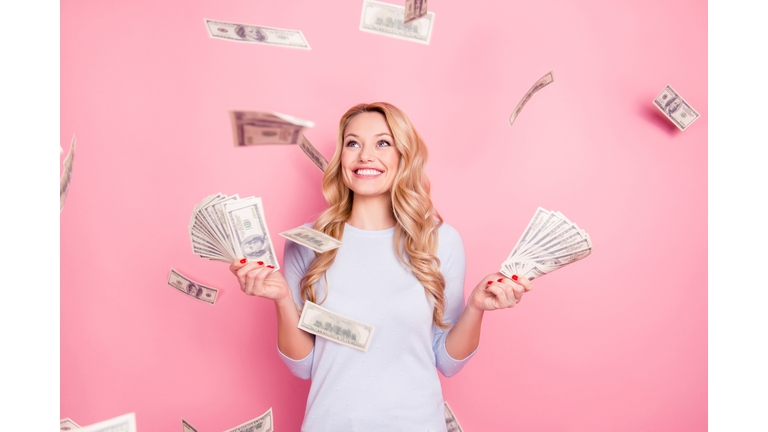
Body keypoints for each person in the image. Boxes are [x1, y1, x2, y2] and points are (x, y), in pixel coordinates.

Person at [230, 102, 533, 431]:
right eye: (353, 143)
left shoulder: (440, 241)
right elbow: (303, 366)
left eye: (383, 143)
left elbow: (446, 361)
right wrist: (282, 300)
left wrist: (476, 307)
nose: (365, 156)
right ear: (341, 158)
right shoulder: (306, 241)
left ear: (403, 156)